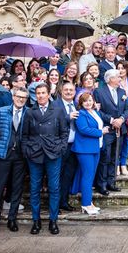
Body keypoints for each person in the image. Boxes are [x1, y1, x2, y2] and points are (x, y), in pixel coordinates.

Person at [22, 83, 69, 235]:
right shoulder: (30, 112)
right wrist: (27, 150)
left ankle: (53, 220)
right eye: (38, 93)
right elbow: (25, 135)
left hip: (53, 153)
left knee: (54, 187)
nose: (41, 95)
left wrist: (61, 148)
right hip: (35, 155)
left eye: (43, 93)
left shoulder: (58, 110)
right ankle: (36, 221)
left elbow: (64, 132)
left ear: (49, 94)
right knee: (34, 188)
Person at [0, 87, 28, 233]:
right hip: (2, 155)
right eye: (18, 96)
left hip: (20, 157)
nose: (21, 99)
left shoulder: (28, 113)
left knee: (17, 189)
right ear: (13, 96)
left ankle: (12, 219)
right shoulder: (2, 111)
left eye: (24, 97)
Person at [72, 93, 109, 215]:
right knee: (87, 176)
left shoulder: (95, 112)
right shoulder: (81, 114)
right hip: (84, 149)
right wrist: (101, 132)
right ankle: (85, 204)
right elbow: (83, 129)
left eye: (89, 100)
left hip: (95, 148)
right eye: (85, 101)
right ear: (81, 103)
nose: (88, 103)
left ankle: (89, 202)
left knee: (91, 176)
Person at [93, 69, 128, 194]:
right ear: (110, 79)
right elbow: (97, 110)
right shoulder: (98, 92)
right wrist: (112, 120)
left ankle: (111, 182)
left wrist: (121, 119)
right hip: (107, 129)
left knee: (115, 157)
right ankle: (101, 184)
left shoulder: (122, 91)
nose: (120, 79)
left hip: (120, 129)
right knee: (105, 157)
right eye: (118, 77)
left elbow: (127, 109)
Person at [51, 82, 79, 212]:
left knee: (68, 175)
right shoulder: (55, 105)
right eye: (66, 90)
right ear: (61, 91)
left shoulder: (77, 105)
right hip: (60, 146)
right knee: (57, 175)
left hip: (74, 146)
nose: (68, 92)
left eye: (71, 90)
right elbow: (51, 123)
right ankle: (55, 205)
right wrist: (68, 117)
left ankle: (64, 202)